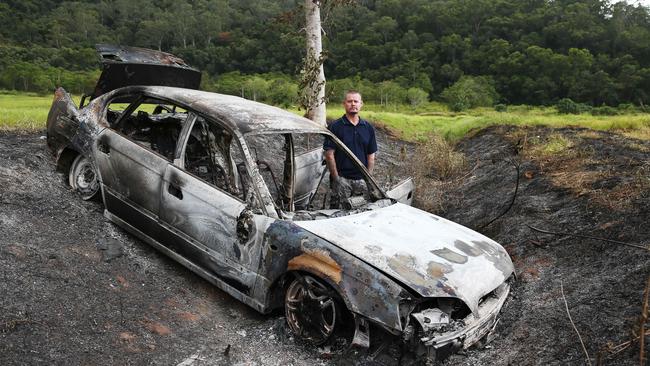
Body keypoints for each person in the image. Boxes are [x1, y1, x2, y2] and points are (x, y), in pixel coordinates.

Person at [323, 90, 377, 208]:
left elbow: (371, 155)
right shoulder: (335, 126)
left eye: (356, 101)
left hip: (361, 180)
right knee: (337, 213)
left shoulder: (368, 128)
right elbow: (329, 154)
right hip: (342, 179)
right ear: (344, 104)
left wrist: (368, 178)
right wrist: (336, 178)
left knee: (360, 212)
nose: (353, 104)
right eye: (349, 101)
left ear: (361, 104)